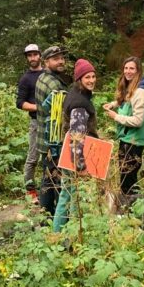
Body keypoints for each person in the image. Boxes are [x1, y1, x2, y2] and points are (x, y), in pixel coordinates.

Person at [53, 58, 98, 232]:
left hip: (70, 154)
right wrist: (80, 166)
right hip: (75, 156)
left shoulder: (77, 95)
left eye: (93, 76)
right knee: (70, 195)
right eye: (87, 77)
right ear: (79, 79)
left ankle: (65, 233)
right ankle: (63, 235)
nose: (92, 80)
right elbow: (77, 137)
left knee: (70, 193)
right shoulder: (79, 103)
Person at [103, 56, 144, 205]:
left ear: (138, 71)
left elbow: (138, 121)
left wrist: (116, 116)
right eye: (126, 68)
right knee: (128, 177)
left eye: (132, 68)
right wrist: (113, 104)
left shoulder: (140, 92)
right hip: (126, 139)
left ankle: (130, 210)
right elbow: (125, 101)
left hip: (134, 141)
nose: (128, 71)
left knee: (127, 179)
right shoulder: (130, 87)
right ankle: (135, 208)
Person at [34, 46, 70, 216]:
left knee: (47, 178)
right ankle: (56, 215)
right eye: (56, 59)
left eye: (62, 57)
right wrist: (56, 147)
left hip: (43, 138)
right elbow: (56, 119)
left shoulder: (43, 77)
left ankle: (45, 214)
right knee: (55, 179)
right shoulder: (55, 85)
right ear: (46, 62)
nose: (61, 61)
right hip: (52, 141)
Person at [15, 43, 43, 202]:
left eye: (35, 54)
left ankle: (49, 187)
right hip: (36, 122)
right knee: (33, 157)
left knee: (51, 156)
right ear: (27, 58)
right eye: (29, 55)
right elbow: (20, 103)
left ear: (39, 55)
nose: (32, 58)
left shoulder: (48, 74)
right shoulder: (26, 79)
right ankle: (30, 191)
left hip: (52, 122)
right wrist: (38, 107)